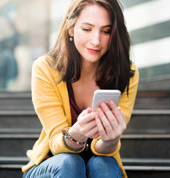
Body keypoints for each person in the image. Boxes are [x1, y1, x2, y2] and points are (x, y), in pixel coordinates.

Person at [22, 0, 139, 177]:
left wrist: (111, 139)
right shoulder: (45, 68)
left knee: (104, 165)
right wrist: (77, 134)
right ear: (71, 28)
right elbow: (55, 143)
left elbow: (106, 150)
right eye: (87, 29)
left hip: (101, 161)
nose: (96, 40)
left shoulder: (127, 73)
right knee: (70, 162)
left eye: (106, 31)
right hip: (51, 166)